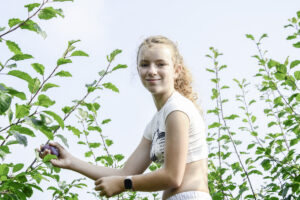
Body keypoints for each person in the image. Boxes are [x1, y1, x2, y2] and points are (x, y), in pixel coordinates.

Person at [38, 35, 211, 200]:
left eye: (160, 64)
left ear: (176, 70)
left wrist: (124, 184)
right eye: (145, 64)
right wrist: (70, 161)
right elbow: (126, 173)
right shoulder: (156, 122)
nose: (152, 71)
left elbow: (172, 176)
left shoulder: (177, 110)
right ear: (138, 70)